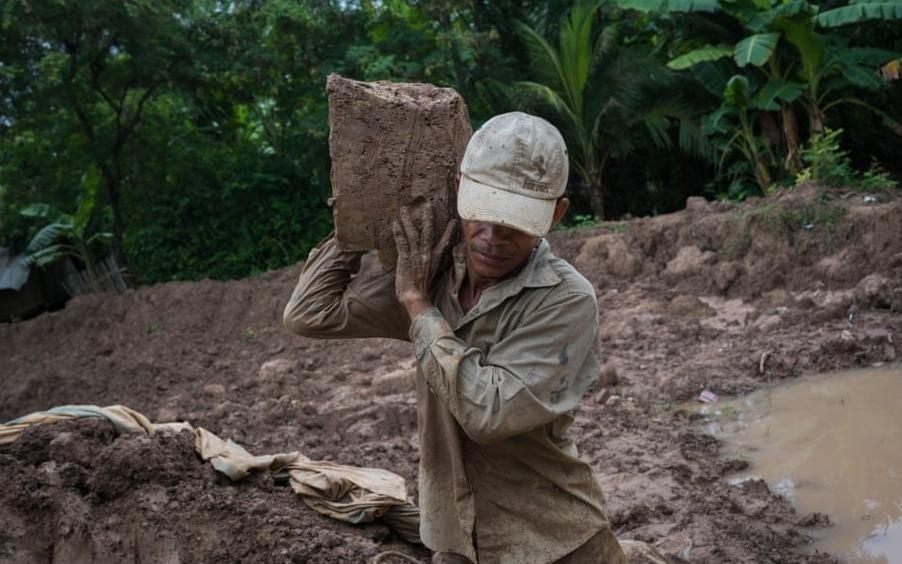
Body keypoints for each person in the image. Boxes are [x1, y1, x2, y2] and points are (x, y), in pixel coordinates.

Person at [283, 112, 626, 563]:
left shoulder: (565, 299)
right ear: (459, 189)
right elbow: (310, 313)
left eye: (515, 221)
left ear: (557, 214)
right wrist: (360, 220)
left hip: (553, 539)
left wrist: (419, 308)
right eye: (481, 212)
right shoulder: (432, 269)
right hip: (454, 537)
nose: (491, 235)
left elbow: (488, 414)